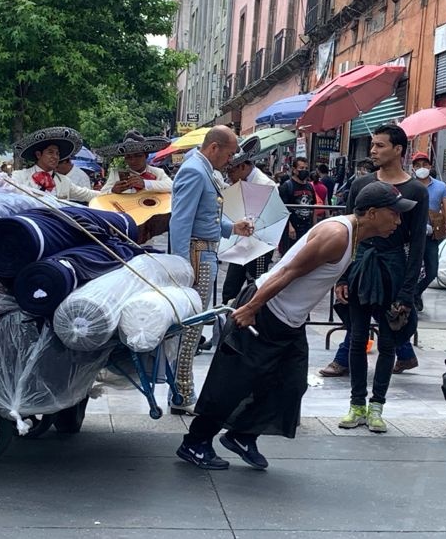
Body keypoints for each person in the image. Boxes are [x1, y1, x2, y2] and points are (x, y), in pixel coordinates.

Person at [176, 181, 414, 471]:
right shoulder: (337, 234)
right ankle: (195, 442)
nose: (399, 221)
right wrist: (251, 308)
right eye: (395, 213)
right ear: (373, 213)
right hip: (267, 310)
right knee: (235, 380)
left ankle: (242, 435)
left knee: (291, 385)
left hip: (290, 320)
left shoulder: (354, 236)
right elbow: (287, 271)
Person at [331, 124, 428, 433]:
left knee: (388, 342)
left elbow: (418, 246)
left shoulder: (416, 191)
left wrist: (408, 291)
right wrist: (342, 276)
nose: (372, 150)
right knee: (357, 338)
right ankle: (356, 403)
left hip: (394, 269)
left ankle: (377, 407)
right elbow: (349, 230)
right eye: (372, 145)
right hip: (361, 266)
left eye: (380, 146)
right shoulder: (361, 185)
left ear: (398, 150)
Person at [169, 125, 255, 414]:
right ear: (214, 147)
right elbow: (181, 222)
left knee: (196, 322)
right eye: (229, 153)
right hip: (195, 253)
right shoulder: (195, 170)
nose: (229, 160)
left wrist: (232, 228)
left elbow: (205, 217)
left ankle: (182, 391)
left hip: (205, 250)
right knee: (192, 325)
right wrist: (182, 265)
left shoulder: (204, 169)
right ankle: (181, 392)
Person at [221, 136, 276, 304]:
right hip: (240, 242)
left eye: (231, 172)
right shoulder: (238, 183)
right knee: (230, 288)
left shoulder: (265, 184)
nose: (229, 176)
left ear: (243, 167)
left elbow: (268, 218)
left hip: (259, 245)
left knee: (255, 286)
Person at [409, 151, 446, 317]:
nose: (422, 168)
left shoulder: (440, 187)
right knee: (411, 268)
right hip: (411, 234)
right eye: (418, 165)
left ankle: (416, 292)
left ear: (430, 166)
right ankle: (409, 296)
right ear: (413, 168)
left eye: (424, 165)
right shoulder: (408, 184)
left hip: (431, 234)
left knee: (432, 270)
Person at [10, 127, 98, 203]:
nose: (55, 157)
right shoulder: (19, 176)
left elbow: (87, 194)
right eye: (50, 152)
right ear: (38, 154)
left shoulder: (64, 181)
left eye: (57, 153)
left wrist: (110, 194)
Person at [97, 130, 172, 195]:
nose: (133, 160)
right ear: (125, 158)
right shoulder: (115, 174)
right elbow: (102, 194)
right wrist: (112, 191)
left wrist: (145, 183)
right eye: (129, 157)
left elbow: (172, 186)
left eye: (138, 156)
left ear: (146, 156)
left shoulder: (158, 172)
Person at [278, 157, 316, 256]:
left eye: (306, 168)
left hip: (307, 227)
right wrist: (290, 227)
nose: (304, 171)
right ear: (294, 170)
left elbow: (313, 207)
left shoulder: (309, 187)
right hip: (292, 229)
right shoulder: (287, 186)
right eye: (301, 168)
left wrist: (314, 227)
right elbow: (282, 210)